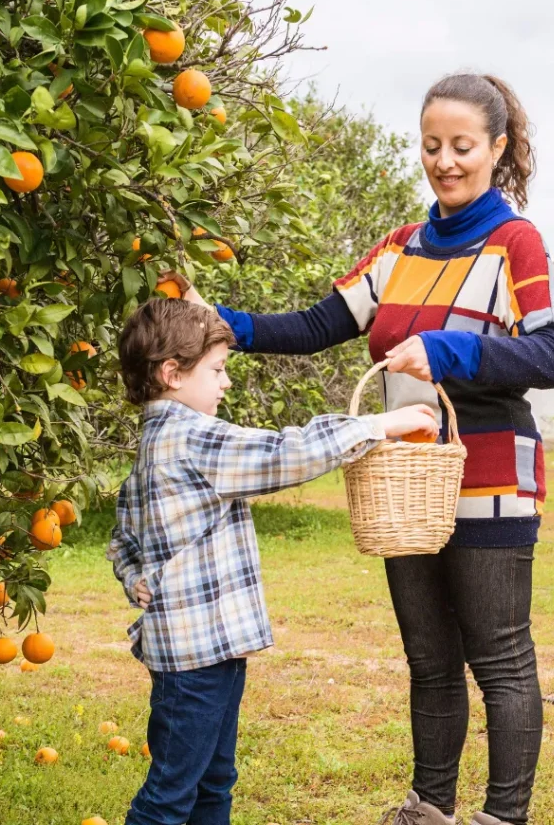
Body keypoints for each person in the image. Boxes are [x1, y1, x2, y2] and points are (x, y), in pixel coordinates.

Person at [163, 73, 554, 825]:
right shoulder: (401, 249)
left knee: (500, 659)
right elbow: (319, 325)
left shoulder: (516, 242)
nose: (445, 162)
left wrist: (449, 352)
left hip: (488, 479)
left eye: (462, 147)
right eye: (431, 147)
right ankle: (429, 807)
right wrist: (224, 323)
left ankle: (502, 818)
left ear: (498, 148)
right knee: (428, 660)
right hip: (403, 484)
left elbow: (552, 357)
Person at [107, 297, 439, 825]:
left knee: (212, 782)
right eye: (216, 371)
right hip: (195, 658)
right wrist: (379, 424)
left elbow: (123, 533)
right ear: (172, 373)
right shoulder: (193, 437)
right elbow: (288, 453)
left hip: (209, 650)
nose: (226, 383)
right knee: (170, 793)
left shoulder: (155, 441)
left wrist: (134, 577)